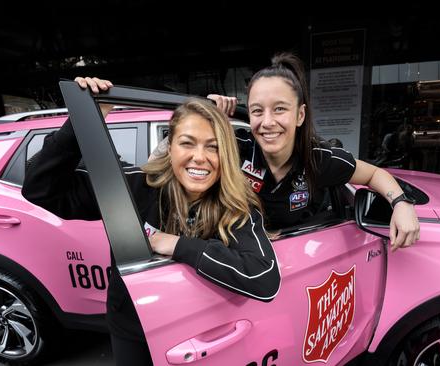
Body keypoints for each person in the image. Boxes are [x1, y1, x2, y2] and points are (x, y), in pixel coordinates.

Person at [22, 93, 280, 365]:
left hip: (200, 331)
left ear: (225, 154)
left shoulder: (234, 208)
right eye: (187, 143)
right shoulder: (132, 188)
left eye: (213, 147)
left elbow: (264, 278)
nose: (199, 157)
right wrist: (82, 121)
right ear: (170, 149)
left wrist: (179, 245)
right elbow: (41, 189)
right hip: (133, 330)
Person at [80, 51, 420, 251]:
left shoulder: (318, 160)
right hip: (226, 267)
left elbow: (375, 174)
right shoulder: (233, 150)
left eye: (280, 109)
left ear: (300, 115)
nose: (267, 122)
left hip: (293, 263)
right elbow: (165, 169)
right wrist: (208, 118)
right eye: (256, 110)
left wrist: (401, 203)